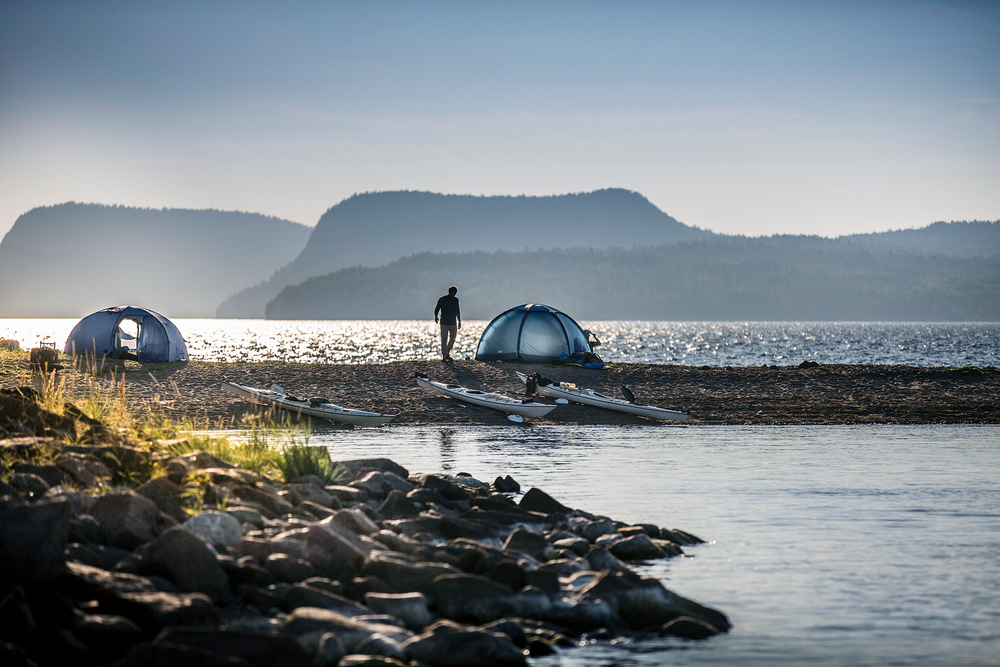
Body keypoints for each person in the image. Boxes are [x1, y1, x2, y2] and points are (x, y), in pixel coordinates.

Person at [434, 285, 461, 361]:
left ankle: (444, 356)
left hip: (443, 322)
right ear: (455, 293)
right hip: (452, 322)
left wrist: (436, 317)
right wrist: (459, 321)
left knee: (444, 339)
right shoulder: (455, 300)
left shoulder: (442, 299)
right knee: (452, 338)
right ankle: (447, 352)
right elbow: (457, 311)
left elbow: (436, 309)